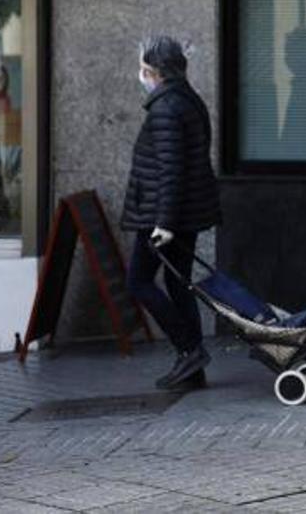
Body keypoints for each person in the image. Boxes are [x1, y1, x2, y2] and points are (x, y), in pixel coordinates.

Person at [121, 36, 221, 390]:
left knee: (138, 281)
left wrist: (163, 222)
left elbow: (171, 169)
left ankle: (190, 350)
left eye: (145, 71)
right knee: (179, 285)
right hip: (185, 211)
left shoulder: (166, 108)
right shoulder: (187, 100)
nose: (142, 76)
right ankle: (193, 368)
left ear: (157, 72)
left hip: (165, 215)